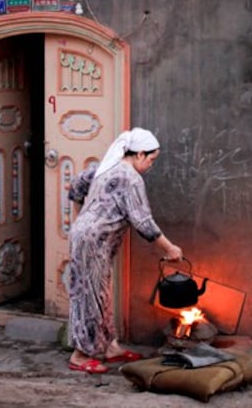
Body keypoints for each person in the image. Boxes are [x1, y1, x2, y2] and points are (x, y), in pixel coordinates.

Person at [66, 128, 183, 374]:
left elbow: (76, 185)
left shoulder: (107, 167)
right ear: (139, 154)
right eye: (151, 160)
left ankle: (110, 348)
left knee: (102, 295)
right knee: (91, 297)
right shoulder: (129, 178)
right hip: (93, 241)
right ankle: (80, 355)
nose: (150, 166)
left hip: (93, 239)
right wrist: (170, 248)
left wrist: (81, 221)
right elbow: (143, 222)